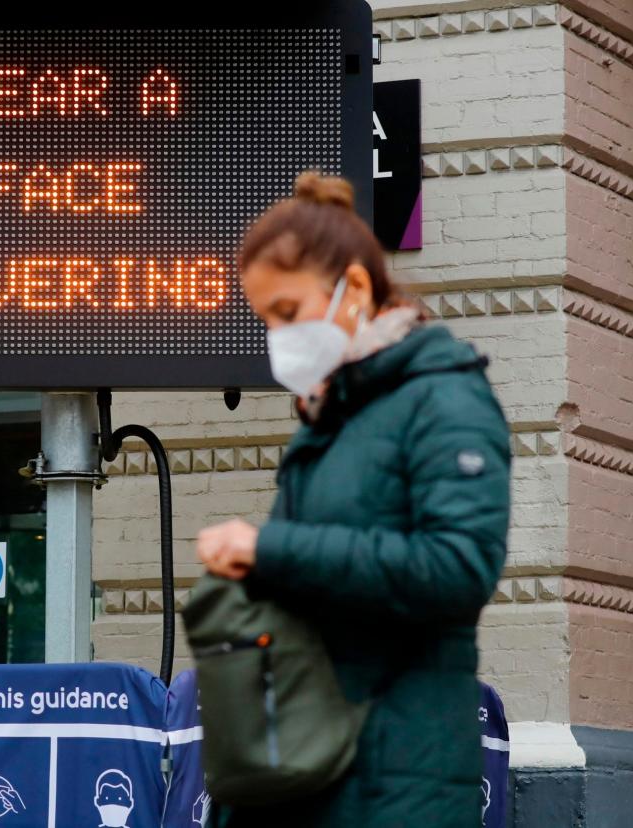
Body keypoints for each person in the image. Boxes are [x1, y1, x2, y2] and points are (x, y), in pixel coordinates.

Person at [195, 172, 511, 826]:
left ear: (356, 290)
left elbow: (458, 569)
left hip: (395, 783)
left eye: (287, 313)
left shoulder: (444, 398)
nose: (277, 338)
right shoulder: (332, 417)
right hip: (313, 769)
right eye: (264, 320)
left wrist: (270, 549)